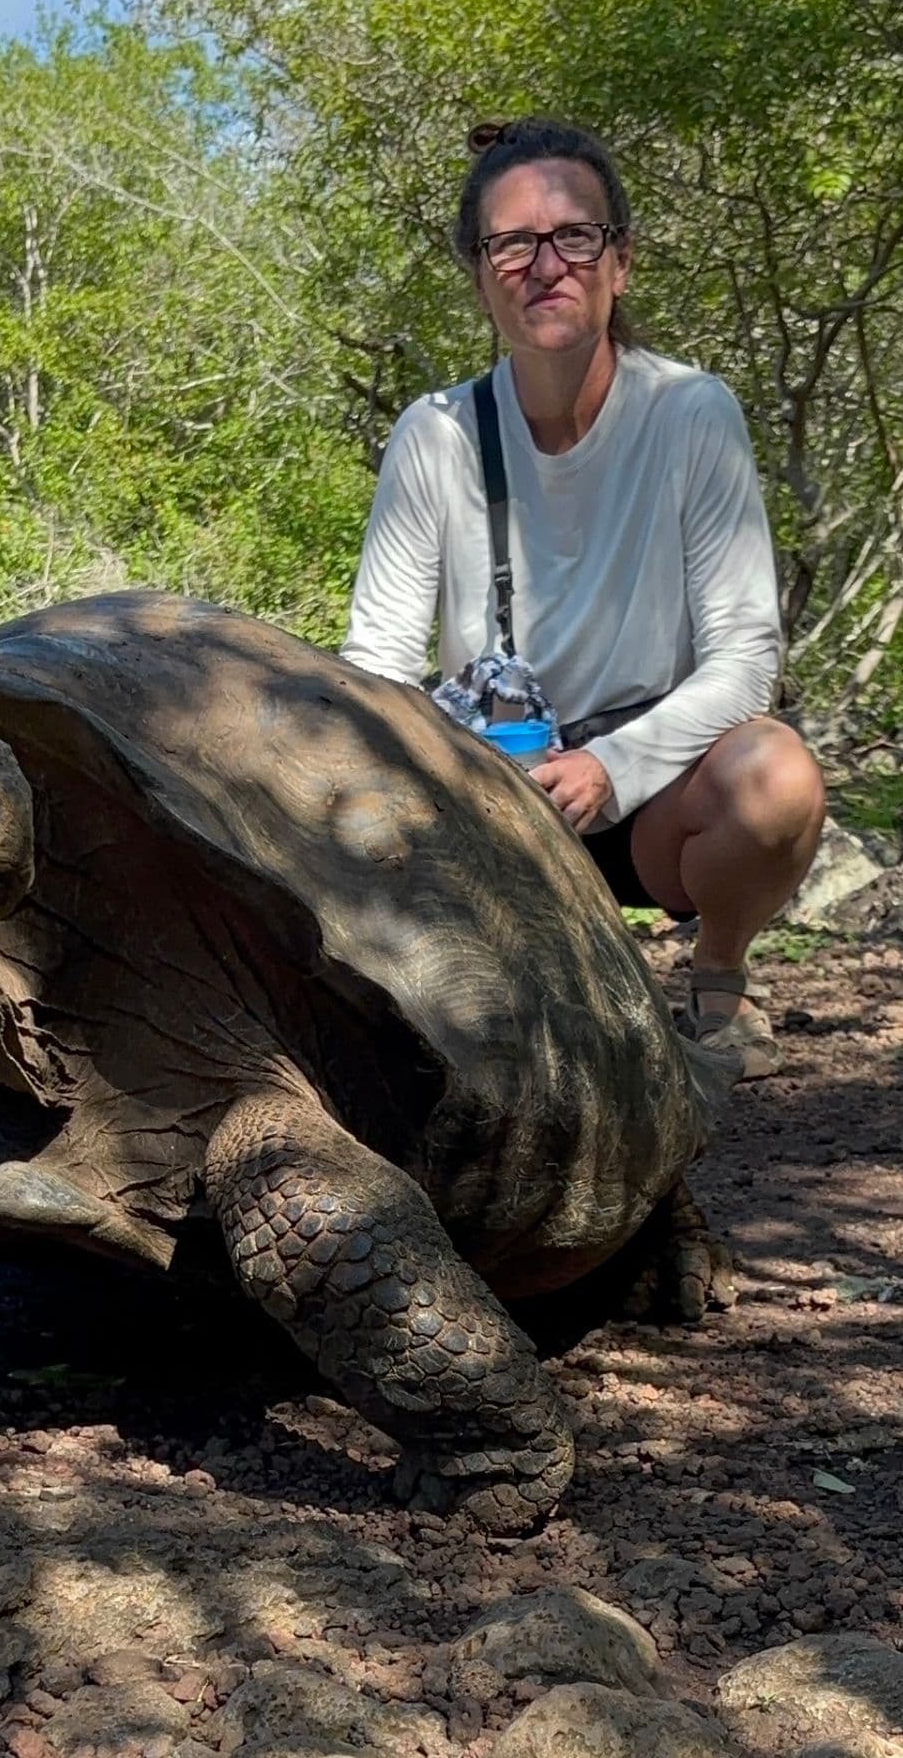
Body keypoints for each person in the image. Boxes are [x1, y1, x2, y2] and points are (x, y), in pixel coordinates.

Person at [341, 116, 826, 1076]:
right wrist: (451, 783)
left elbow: (744, 658)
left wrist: (608, 766)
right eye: (511, 244)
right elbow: (376, 664)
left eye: (573, 236)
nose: (543, 265)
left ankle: (718, 980)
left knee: (776, 778)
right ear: (480, 276)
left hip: (654, 794)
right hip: (484, 799)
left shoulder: (690, 413)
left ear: (619, 261)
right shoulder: (435, 434)